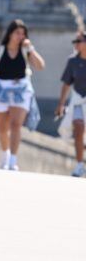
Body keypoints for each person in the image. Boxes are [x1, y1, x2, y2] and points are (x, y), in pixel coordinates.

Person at [0, 19, 45, 171]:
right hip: (1, 89)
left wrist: (31, 49)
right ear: (10, 34)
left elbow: (40, 66)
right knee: (2, 127)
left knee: (16, 125)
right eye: (17, 33)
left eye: (23, 34)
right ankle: (5, 155)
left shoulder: (25, 51)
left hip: (20, 90)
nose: (20, 36)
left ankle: (13, 161)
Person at [55, 31, 86, 177]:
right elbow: (66, 84)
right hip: (78, 100)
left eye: (79, 41)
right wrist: (61, 104)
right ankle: (80, 165)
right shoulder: (73, 61)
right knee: (78, 128)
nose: (76, 44)